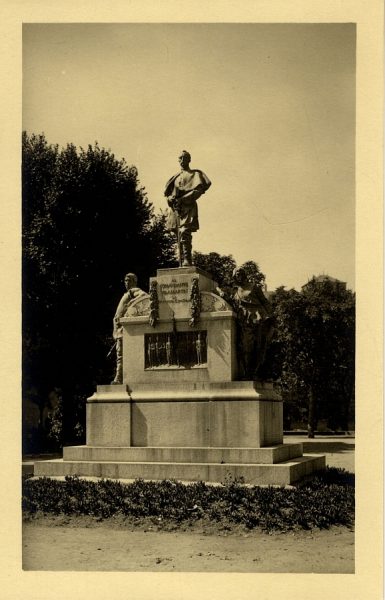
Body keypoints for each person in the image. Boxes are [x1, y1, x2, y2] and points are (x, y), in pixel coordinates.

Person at [164, 150, 211, 266]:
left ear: (189, 160)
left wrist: (184, 199)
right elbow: (168, 194)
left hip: (188, 206)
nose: (181, 160)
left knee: (185, 232)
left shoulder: (195, 174)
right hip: (175, 209)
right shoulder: (174, 177)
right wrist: (170, 199)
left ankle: (187, 260)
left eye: (184, 158)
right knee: (177, 235)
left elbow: (198, 190)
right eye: (179, 158)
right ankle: (181, 260)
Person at [231, 266, 274, 379]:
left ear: (244, 274)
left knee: (259, 346)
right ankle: (248, 373)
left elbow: (264, 301)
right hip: (244, 321)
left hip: (257, 318)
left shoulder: (253, 287)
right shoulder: (235, 290)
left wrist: (270, 316)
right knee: (246, 347)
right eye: (236, 274)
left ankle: (257, 372)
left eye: (240, 273)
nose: (239, 275)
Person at [111, 273, 144, 384]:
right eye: (125, 281)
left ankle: (119, 377)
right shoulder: (127, 293)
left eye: (129, 280)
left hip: (123, 330)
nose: (126, 283)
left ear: (134, 281)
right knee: (120, 355)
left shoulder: (133, 291)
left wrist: (132, 303)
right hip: (119, 329)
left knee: (121, 355)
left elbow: (143, 295)